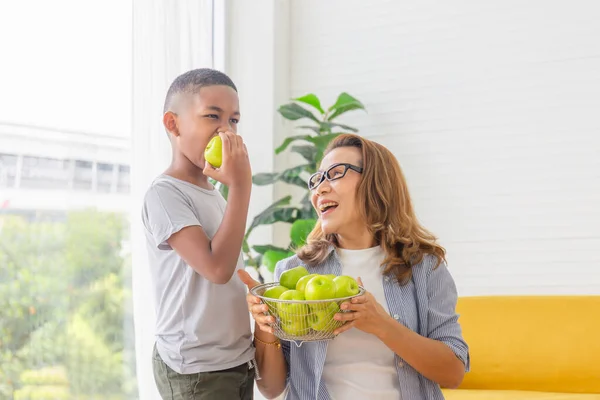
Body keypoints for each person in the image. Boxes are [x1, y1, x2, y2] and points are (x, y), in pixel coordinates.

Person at [239, 133, 470, 400]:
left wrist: (381, 324)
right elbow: (271, 388)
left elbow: (453, 373)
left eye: (336, 173)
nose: (320, 189)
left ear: (376, 182)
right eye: (318, 179)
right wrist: (266, 327)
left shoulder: (424, 267)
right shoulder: (294, 273)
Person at [142, 68, 255, 399]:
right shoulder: (165, 194)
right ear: (173, 124)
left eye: (234, 120)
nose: (226, 130)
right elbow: (217, 269)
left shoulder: (215, 193)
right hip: (197, 367)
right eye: (212, 116)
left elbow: (230, 266)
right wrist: (242, 185)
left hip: (234, 358)